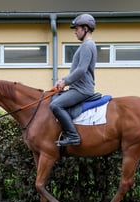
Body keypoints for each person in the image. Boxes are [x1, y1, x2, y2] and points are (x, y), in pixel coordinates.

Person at [50, 13, 97, 146]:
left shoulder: (87, 45)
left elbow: (81, 70)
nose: (75, 32)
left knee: (55, 105)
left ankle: (73, 136)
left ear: (85, 29)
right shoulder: (86, 45)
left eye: (77, 29)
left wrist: (64, 81)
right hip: (78, 88)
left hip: (82, 90)